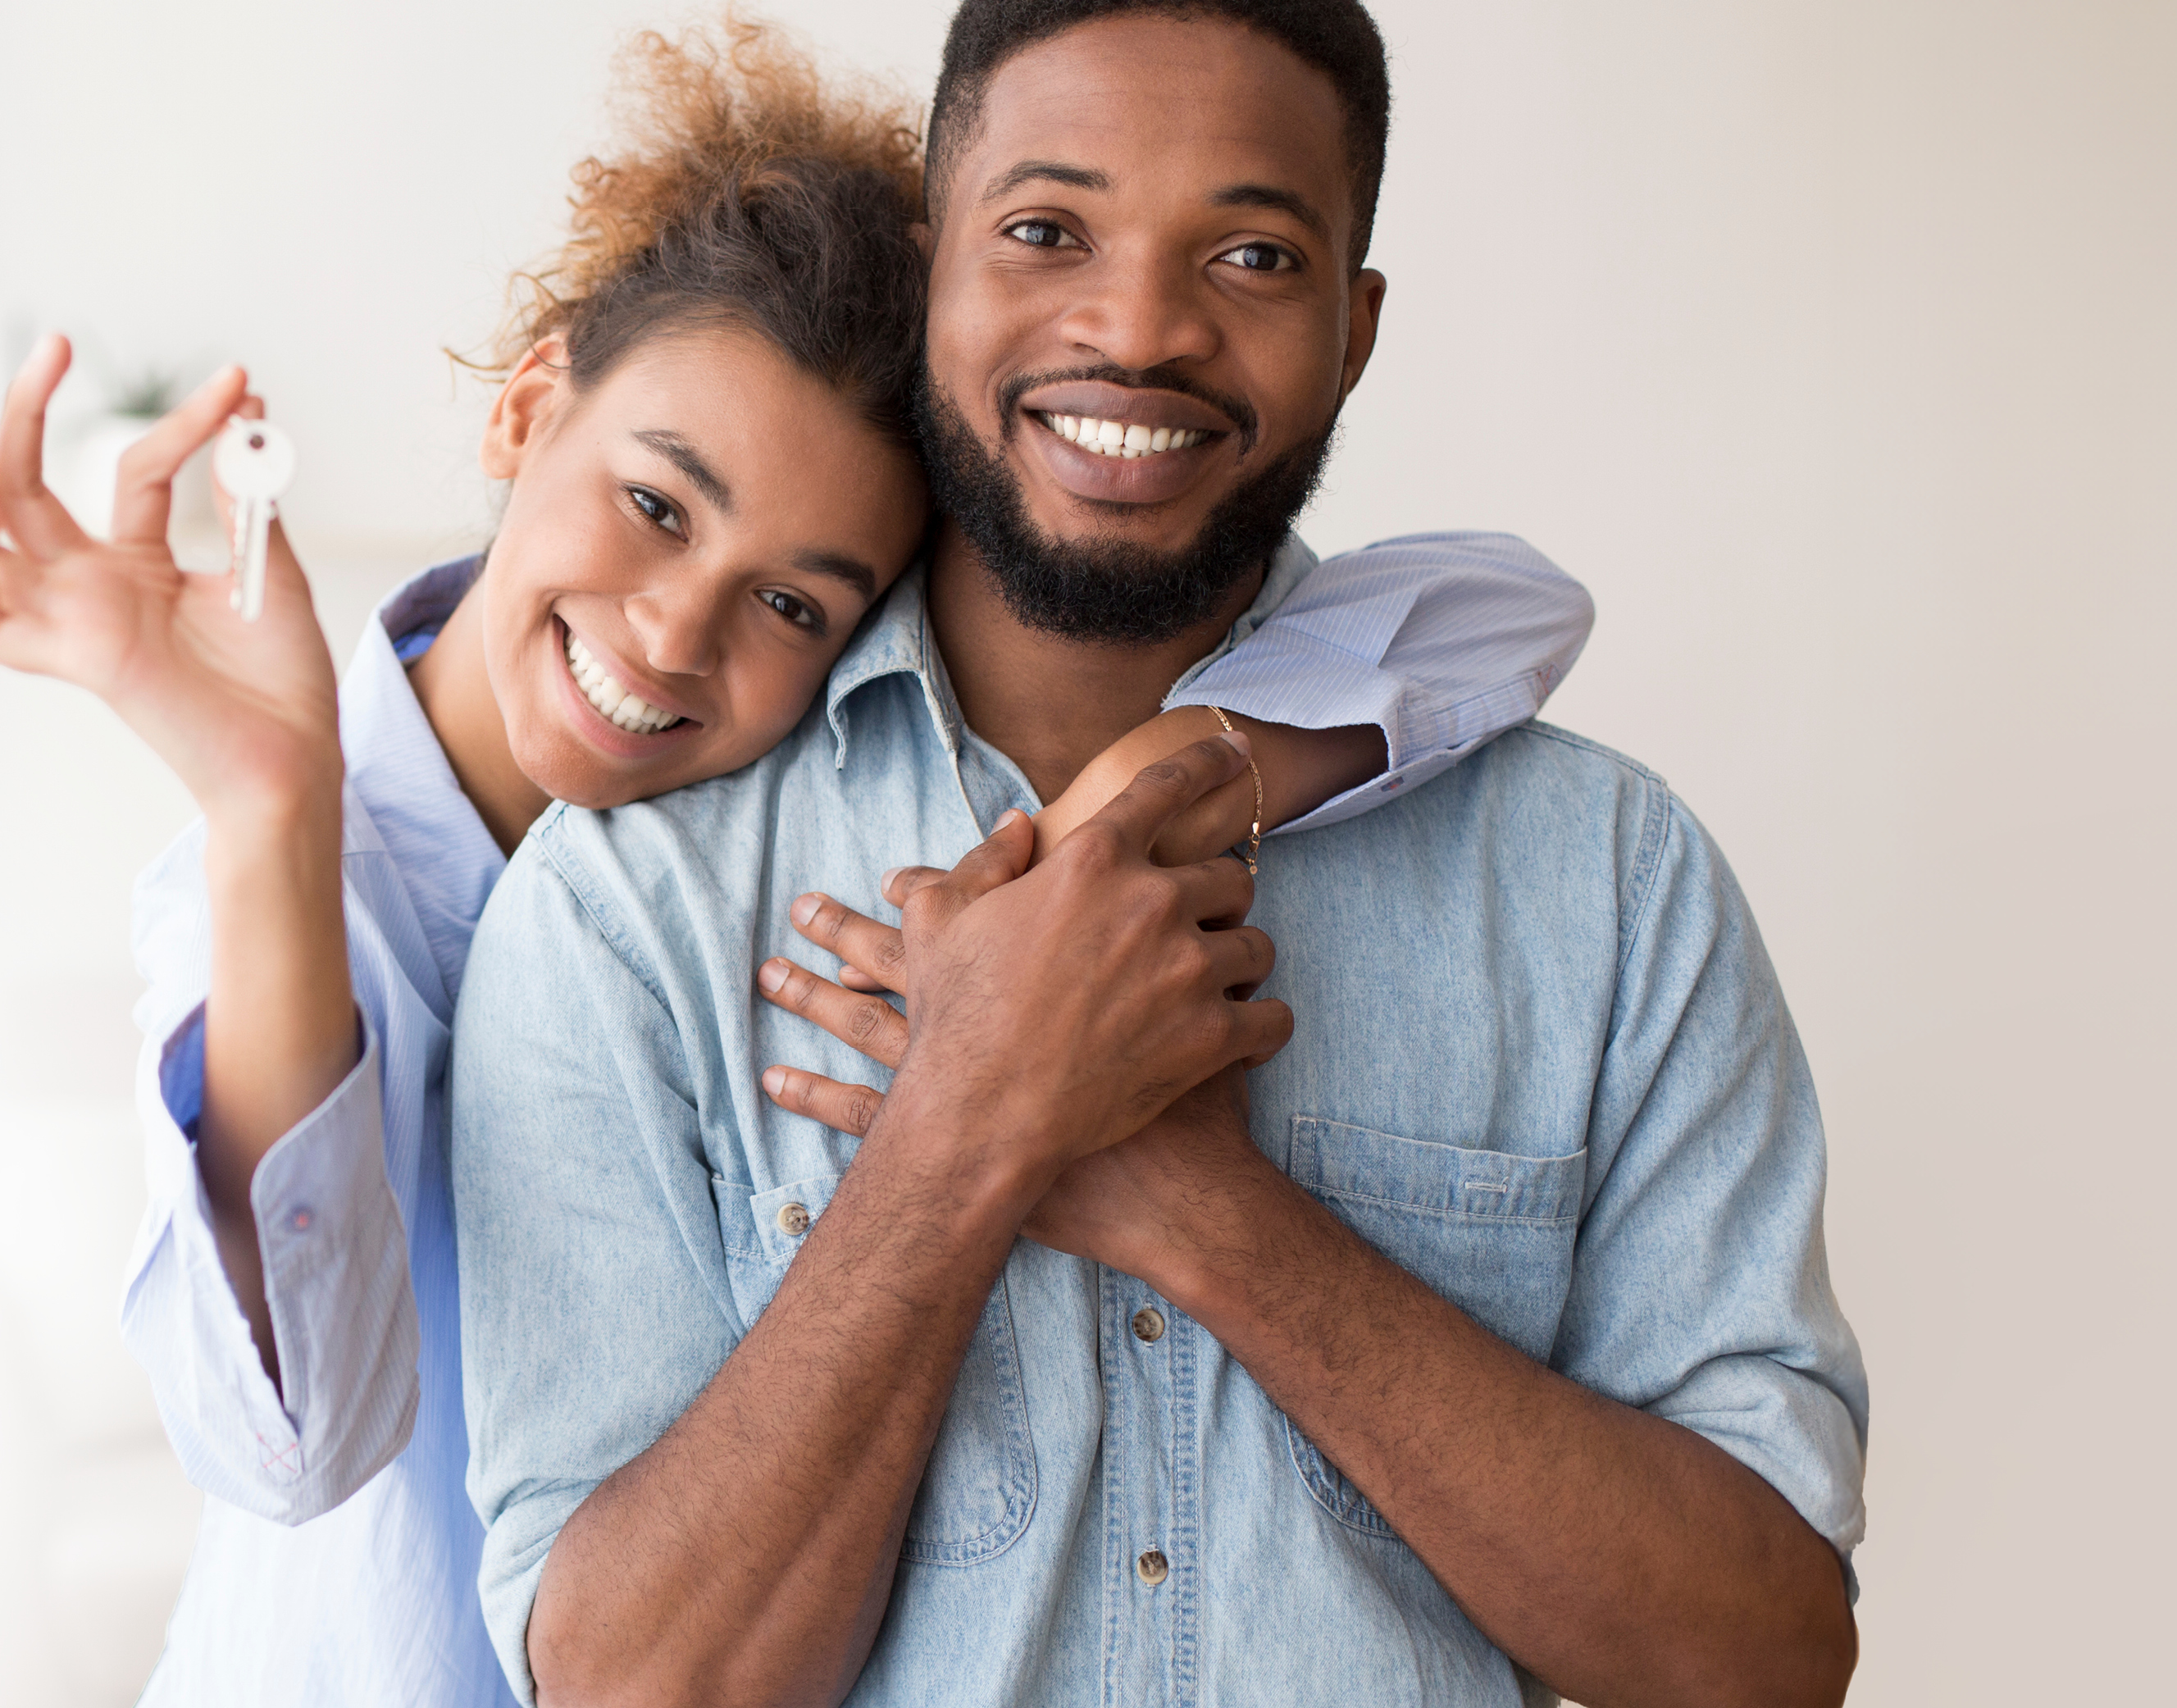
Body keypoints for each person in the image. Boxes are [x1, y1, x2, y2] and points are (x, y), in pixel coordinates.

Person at [0, 18, 1592, 1707]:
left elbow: (1508, 608)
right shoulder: (309, 865)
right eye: (657, 504)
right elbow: (289, 1439)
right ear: (530, 401)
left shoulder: (777, 821)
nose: (670, 635)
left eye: (793, 601)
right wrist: (273, 805)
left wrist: (1192, 758)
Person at [449, 3, 1870, 1707]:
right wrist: (972, 1122)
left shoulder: (1612, 885)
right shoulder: (626, 907)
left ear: (1352, 332)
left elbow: (1763, 1655)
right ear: (937, 273)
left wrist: (1202, 1210)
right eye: (1047, 230)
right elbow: (630, 1688)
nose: (1138, 328)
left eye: (1254, 255)